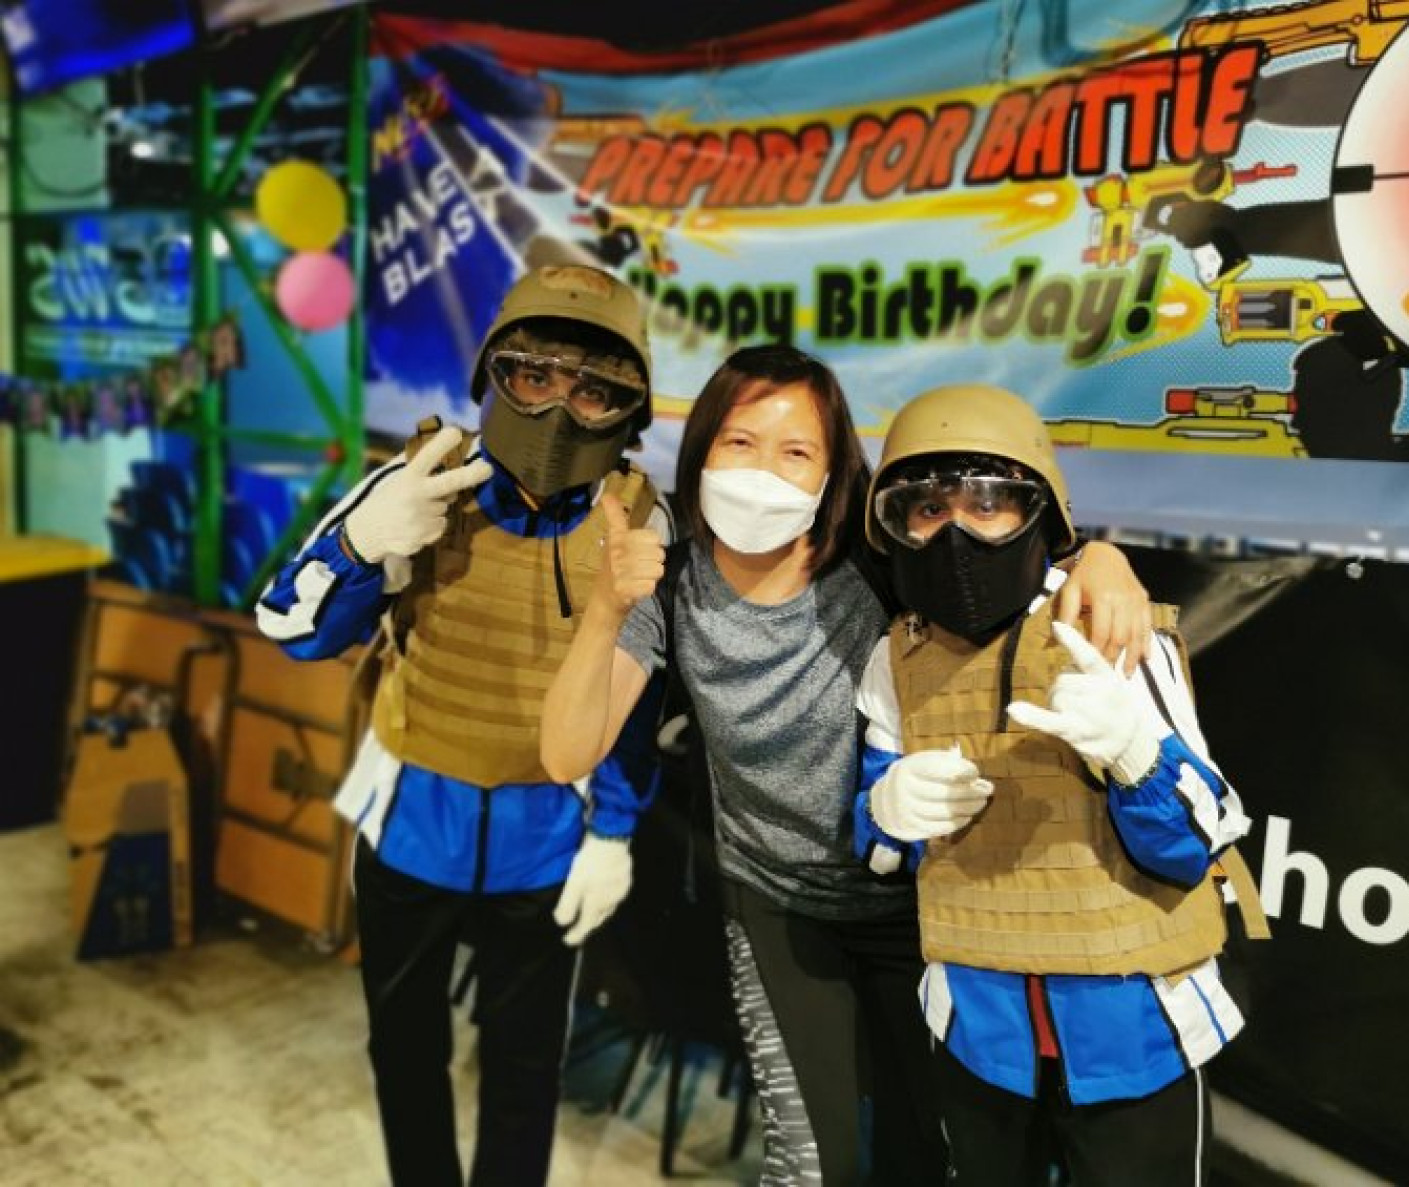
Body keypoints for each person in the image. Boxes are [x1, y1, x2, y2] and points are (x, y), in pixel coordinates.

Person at [539, 345, 1154, 1184]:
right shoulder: (670, 579)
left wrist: (1100, 559)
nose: (762, 471)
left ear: (832, 477)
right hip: (776, 906)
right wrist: (607, 609)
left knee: (926, 1156)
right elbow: (565, 751)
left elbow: (1007, 561)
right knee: (808, 1164)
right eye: (739, 442)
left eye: (795, 451)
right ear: (703, 450)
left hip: (922, 908)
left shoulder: (877, 564)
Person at [256, 264, 668, 1187]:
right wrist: (365, 542)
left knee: (525, 1066)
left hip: (544, 836)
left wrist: (612, 830)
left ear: (627, 410)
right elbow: (291, 626)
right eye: (534, 376)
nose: (558, 409)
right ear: (494, 375)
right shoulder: (421, 484)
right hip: (411, 821)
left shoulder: (637, 521)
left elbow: (636, 700)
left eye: (593, 390)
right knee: (405, 1051)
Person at [852, 383, 1268, 1185]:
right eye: (927, 508)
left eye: (987, 502)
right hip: (977, 1026)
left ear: (1035, 510)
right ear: (895, 526)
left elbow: (1200, 840)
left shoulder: (1106, 628)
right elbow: (878, 851)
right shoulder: (895, 658)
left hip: (1133, 1027)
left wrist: (1139, 758)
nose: (956, 531)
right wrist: (886, 809)